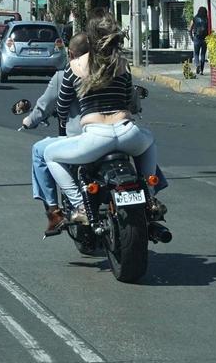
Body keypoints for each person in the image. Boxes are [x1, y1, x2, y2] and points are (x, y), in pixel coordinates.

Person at [42, 13, 159, 227]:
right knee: (149, 139)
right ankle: (150, 196)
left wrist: (62, 124)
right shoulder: (122, 63)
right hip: (127, 133)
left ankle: (81, 206)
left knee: (50, 154)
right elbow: (126, 99)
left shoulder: (75, 66)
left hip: (95, 138)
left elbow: (63, 104)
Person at [20, 33, 90, 235]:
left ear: (70, 53)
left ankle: (54, 212)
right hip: (119, 133)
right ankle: (152, 198)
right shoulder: (108, 71)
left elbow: (45, 108)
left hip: (80, 139)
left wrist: (29, 121)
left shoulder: (65, 76)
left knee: (40, 151)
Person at [191, 6, 210, 76]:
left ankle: (197, 64)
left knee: (196, 54)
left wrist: (191, 37)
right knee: (203, 54)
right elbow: (209, 29)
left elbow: (190, 28)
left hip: (197, 38)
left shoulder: (195, 18)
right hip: (204, 39)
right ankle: (201, 70)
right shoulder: (207, 19)